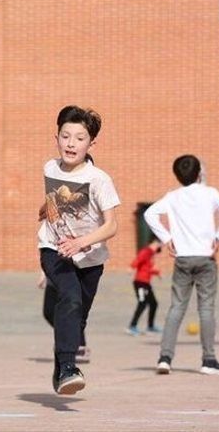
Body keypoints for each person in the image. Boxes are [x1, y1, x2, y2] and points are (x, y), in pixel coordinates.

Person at [38, 105, 119, 395]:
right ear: (56, 137)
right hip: (55, 250)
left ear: (91, 143)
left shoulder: (99, 180)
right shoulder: (50, 167)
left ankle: (61, 368)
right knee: (69, 300)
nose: (71, 143)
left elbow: (111, 226)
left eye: (79, 138)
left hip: (90, 258)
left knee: (78, 316)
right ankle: (69, 366)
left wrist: (81, 243)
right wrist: (46, 212)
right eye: (65, 136)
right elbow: (55, 202)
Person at [144, 154, 219, 376]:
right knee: (206, 308)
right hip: (206, 257)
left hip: (182, 258)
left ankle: (165, 358)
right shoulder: (210, 193)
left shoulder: (173, 197)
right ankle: (208, 360)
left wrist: (167, 239)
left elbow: (149, 214)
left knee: (176, 307)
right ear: (199, 173)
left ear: (177, 176)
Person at [37, 272, 90, 363]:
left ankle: (79, 345)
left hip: (70, 274)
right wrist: (44, 273)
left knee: (70, 310)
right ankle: (69, 340)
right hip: (53, 274)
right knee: (49, 312)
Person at [126, 238, 162, 336]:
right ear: (155, 242)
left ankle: (150, 327)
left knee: (154, 303)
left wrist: (157, 273)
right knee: (142, 303)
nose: (160, 247)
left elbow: (147, 268)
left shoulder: (151, 254)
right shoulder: (147, 251)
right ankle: (132, 326)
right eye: (160, 244)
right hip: (140, 283)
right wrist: (131, 267)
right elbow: (138, 259)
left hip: (146, 283)